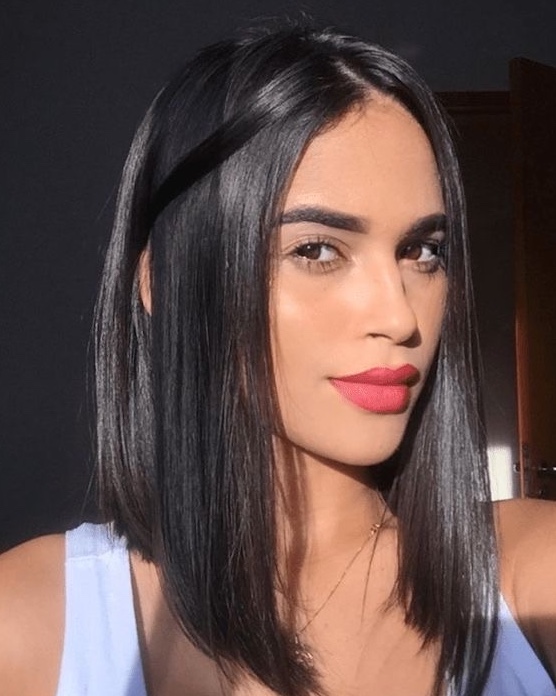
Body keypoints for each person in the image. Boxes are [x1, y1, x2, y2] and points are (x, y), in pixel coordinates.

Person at [1, 22, 555, 696]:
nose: (399, 316)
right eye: (317, 250)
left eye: (422, 251)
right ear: (164, 282)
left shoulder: (530, 579)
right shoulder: (32, 623)